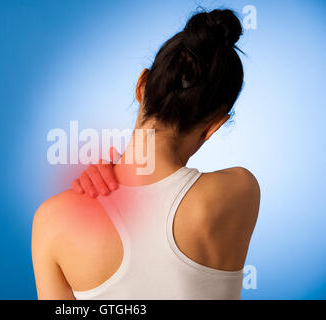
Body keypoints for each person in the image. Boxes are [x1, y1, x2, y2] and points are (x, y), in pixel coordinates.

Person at [32, 9, 260, 300]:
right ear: (215, 125)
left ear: (141, 85)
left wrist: (115, 167)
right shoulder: (240, 190)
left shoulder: (53, 220)